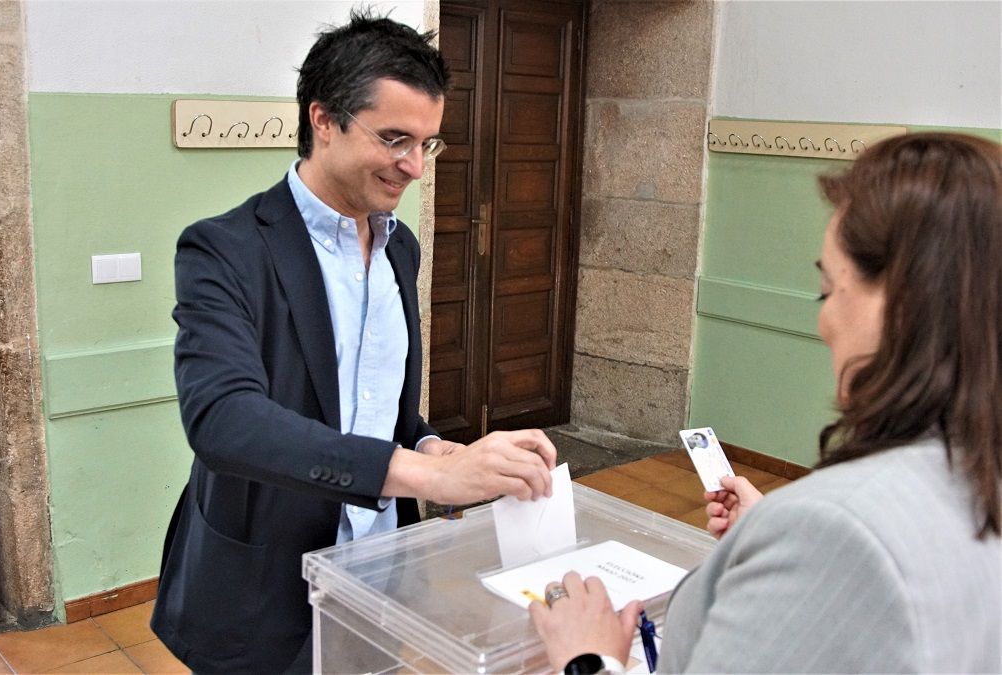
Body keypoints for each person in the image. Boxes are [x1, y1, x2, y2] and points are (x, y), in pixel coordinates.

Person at [151, 12, 556, 673]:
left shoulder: (401, 250)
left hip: (376, 573)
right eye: (395, 138)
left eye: (428, 143)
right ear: (324, 120)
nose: (414, 167)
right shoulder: (225, 248)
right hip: (262, 583)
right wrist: (426, 474)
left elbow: (379, 410)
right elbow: (223, 420)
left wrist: (433, 443)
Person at [530, 132, 1001, 673]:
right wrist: (776, 530)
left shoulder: (834, 533)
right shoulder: (975, 472)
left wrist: (588, 660)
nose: (824, 323)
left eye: (828, 291)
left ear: (901, 302)